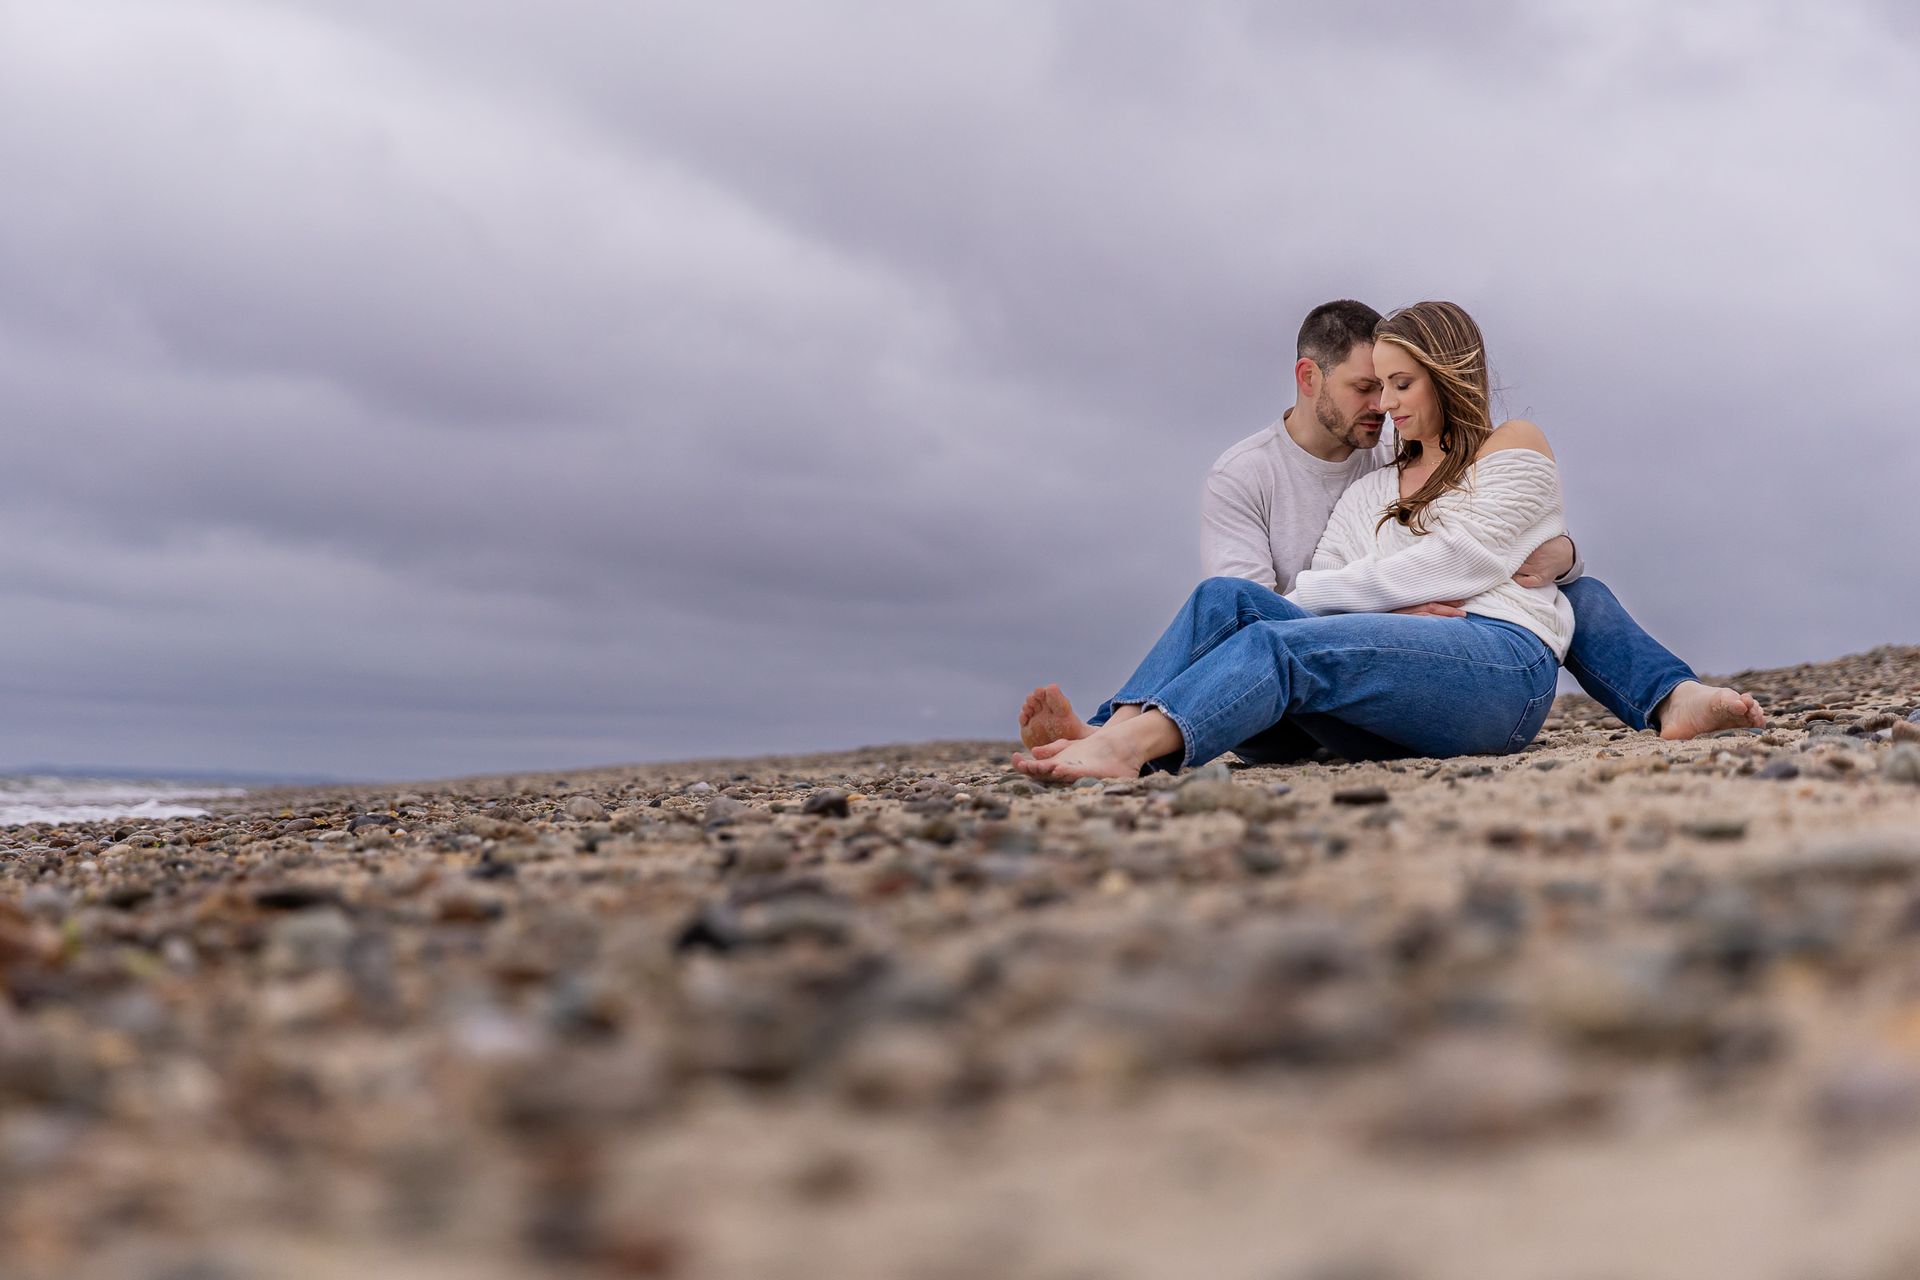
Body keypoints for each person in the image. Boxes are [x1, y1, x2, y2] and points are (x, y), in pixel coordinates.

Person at [1012, 301, 1757, 783]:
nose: (1387, 407)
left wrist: (1311, 600)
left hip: (1499, 658)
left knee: (1283, 640)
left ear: (1445, 376)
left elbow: (1466, 560)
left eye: (1401, 384)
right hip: (1378, 677)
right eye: (1375, 389)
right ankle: (1114, 725)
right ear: (1312, 380)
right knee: (1224, 600)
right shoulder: (1358, 481)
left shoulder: (1510, 444)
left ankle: (1125, 748)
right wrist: (1377, 611)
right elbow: (1334, 575)